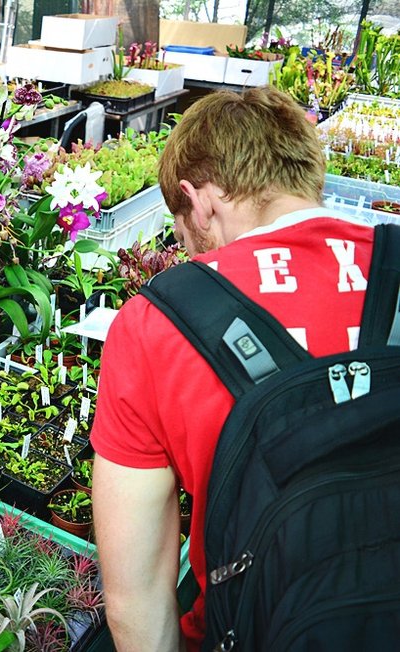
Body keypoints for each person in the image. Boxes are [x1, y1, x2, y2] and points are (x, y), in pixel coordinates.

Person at [90, 86, 374, 652]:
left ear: (200, 203)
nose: (194, 259)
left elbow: (137, 597)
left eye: (183, 239)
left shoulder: (155, 326)